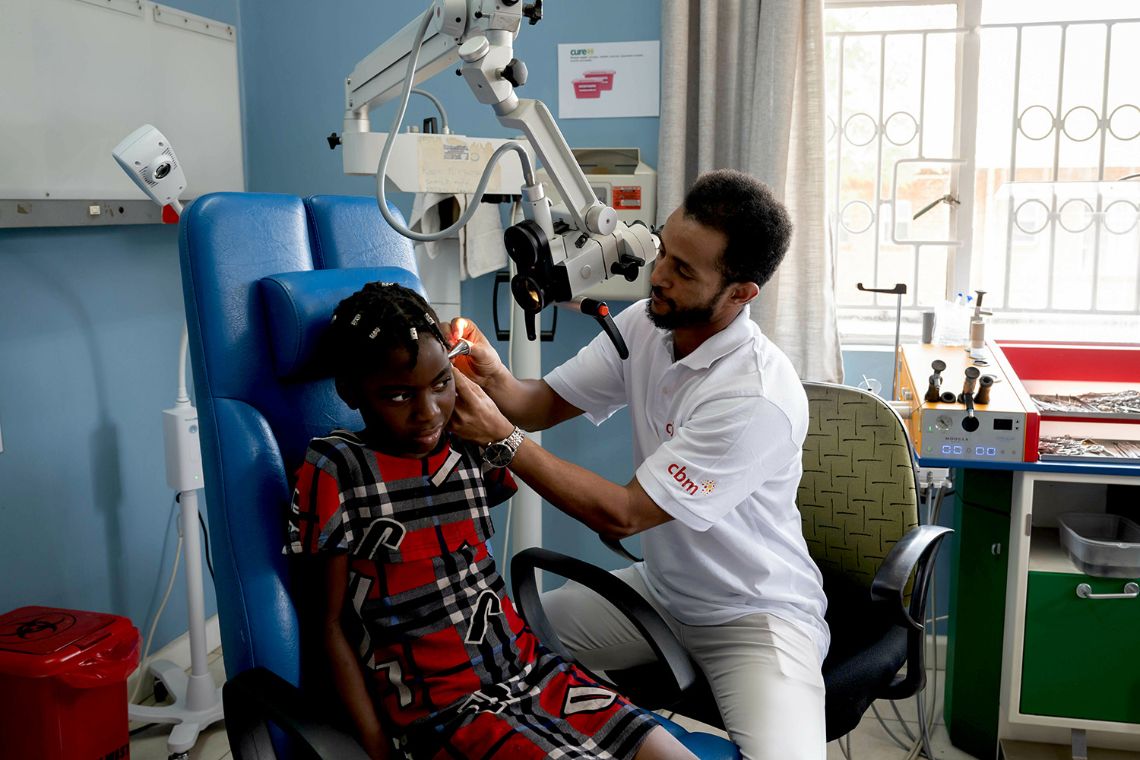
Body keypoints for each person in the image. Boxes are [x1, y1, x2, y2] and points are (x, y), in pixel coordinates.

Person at [447, 169, 829, 760]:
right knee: (496, 651)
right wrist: (491, 371)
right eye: (664, 250)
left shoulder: (755, 397)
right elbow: (541, 404)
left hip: (753, 616)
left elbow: (623, 515)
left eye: (684, 270)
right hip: (661, 590)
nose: (658, 276)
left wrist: (505, 442)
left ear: (740, 293)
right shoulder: (648, 326)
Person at [284, 281, 697, 760]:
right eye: (398, 396)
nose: (427, 412)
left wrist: (488, 399)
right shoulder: (336, 469)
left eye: (442, 384)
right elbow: (330, 624)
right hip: (441, 707)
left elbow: (468, 553)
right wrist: (377, 747)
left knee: (671, 754)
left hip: (529, 667)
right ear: (350, 392)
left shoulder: (466, 441)